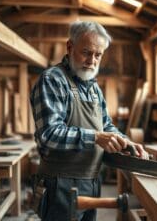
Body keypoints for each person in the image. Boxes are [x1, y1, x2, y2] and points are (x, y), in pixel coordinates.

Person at [30, 21, 148, 221]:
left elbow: (106, 126)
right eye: (86, 52)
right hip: (60, 184)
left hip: (91, 180)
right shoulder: (52, 80)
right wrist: (95, 137)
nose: (91, 61)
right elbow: (48, 135)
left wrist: (126, 142)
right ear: (70, 47)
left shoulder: (93, 88)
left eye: (98, 55)